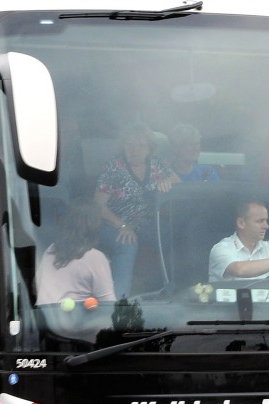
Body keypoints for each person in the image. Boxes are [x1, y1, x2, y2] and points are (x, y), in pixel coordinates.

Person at [94, 122, 178, 296]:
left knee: (173, 236)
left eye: (141, 145)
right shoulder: (114, 168)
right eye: (130, 145)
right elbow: (98, 205)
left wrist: (168, 182)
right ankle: (119, 301)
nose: (135, 150)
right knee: (127, 243)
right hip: (113, 224)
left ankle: (176, 291)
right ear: (123, 146)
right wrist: (123, 226)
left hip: (146, 224)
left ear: (149, 148)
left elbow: (179, 183)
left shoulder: (156, 164)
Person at [36, 203, 116, 306]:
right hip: (73, 319)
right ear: (95, 226)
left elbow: (37, 285)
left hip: (44, 316)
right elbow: (108, 304)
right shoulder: (95, 257)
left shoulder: (51, 249)